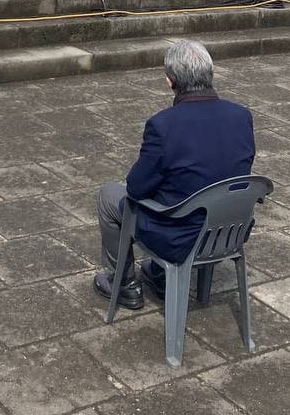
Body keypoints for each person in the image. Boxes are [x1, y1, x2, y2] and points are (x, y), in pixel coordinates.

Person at [94, 39, 256, 308]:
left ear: (170, 81)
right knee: (185, 189)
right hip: (227, 230)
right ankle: (158, 275)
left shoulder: (163, 126)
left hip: (180, 236)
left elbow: (136, 188)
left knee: (110, 196)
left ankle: (123, 283)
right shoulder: (241, 116)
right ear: (210, 74)